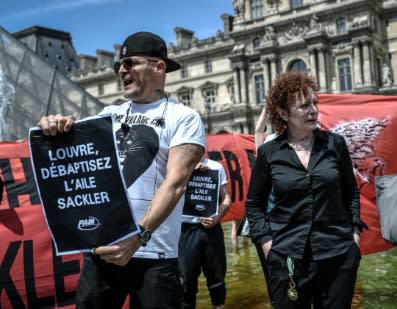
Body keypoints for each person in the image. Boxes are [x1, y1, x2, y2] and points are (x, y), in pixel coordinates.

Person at [38, 31, 206, 308]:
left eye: (130, 63)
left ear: (159, 67)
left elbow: (176, 183)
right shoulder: (107, 115)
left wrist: (140, 236)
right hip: (104, 251)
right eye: (119, 65)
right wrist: (55, 125)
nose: (121, 70)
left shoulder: (183, 117)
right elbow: (72, 146)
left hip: (156, 256)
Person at [245, 71, 365, 309]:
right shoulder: (270, 153)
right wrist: (267, 244)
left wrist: (354, 235)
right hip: (287, 256)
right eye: (303, 106)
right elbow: (254, 205)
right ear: (283, 113)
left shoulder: (335, 144)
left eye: (314, 103)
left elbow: (351, 192)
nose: (313, 110)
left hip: (338, 253)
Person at [179, 157, 231, 309]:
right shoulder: (177, 166)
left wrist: (217, 216)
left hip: (212, 229)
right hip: (185, 229)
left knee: (217, 275)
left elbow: (226, 198)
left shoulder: (216, 167)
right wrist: (190, 170)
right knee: (186, 280)